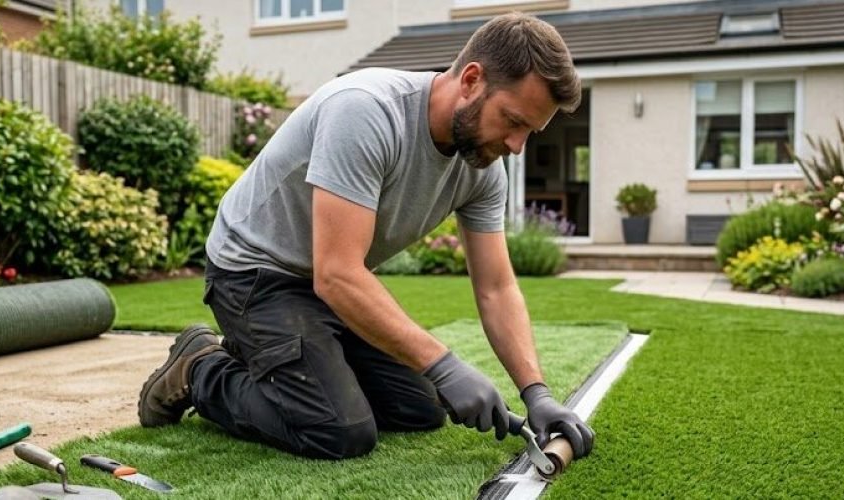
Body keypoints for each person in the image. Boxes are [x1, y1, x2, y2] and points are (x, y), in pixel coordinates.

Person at [137, 11, 594, 461]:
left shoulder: (483, 167)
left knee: (421, 408)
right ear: (472, 80)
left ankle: (282, 359)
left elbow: (496, 287)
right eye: (512, 120)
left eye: (529, 132)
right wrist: (445, 364)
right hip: (254, 273)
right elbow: (336, 274)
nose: (517, 146)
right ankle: (200, 367)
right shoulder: (365, 110)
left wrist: (536, 392)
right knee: (339, 430)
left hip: (326, 284)